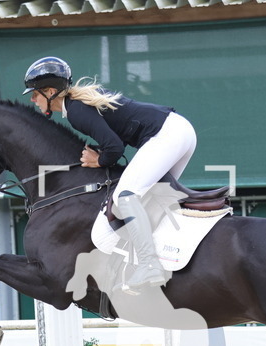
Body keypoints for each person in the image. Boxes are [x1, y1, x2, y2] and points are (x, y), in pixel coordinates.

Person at [23, 56, 197, 294]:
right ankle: (171, 256)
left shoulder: (76, 111)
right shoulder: (77, 103)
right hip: (179, 131)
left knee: (125, 197)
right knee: (153, 198)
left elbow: (114, 147)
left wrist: (99, 160)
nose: (33, 99)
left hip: (167, 136)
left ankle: (149, 264)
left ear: (51, 91)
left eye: (35, 94)